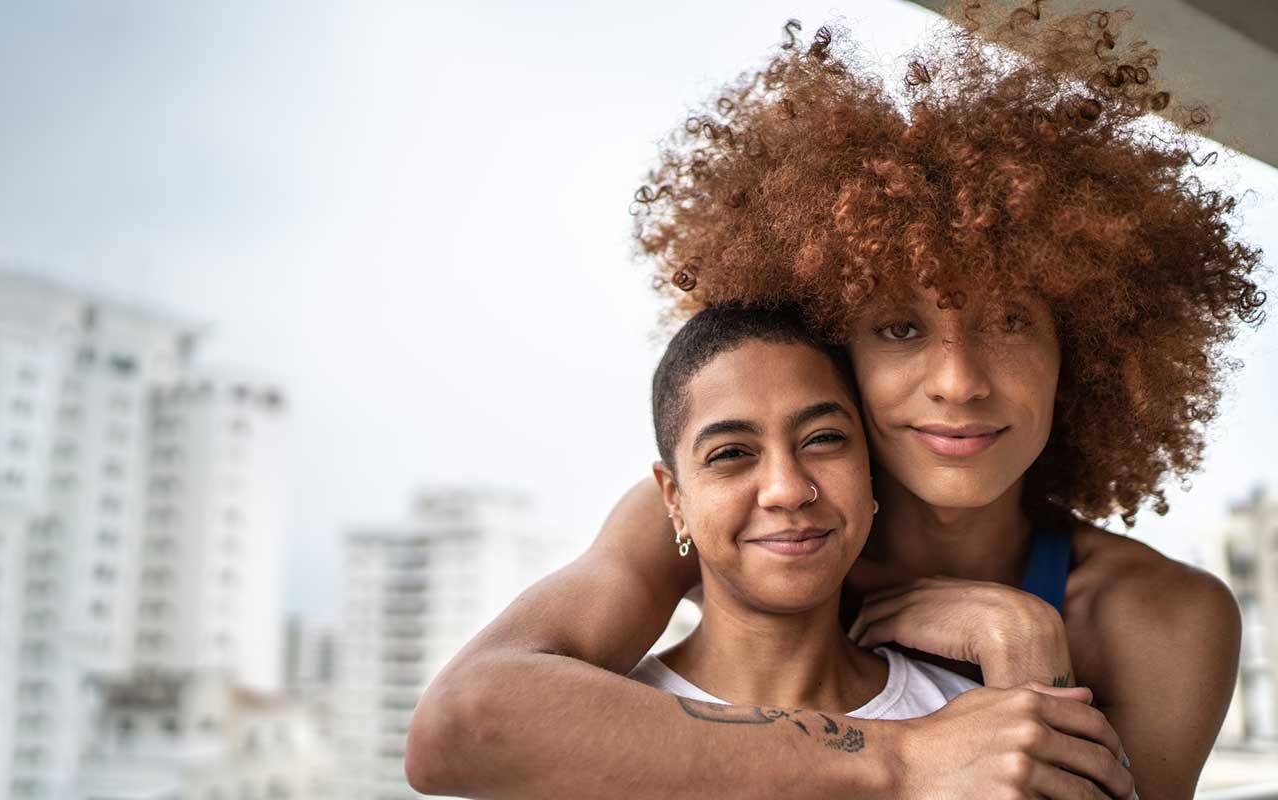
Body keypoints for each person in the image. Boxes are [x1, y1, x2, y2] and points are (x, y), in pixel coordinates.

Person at [406, 3, 1263, 799]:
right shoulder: (753, 519)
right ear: (834, 354)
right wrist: (900, 753)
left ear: (1086, 348)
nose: (959, 380)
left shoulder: (1159, 619)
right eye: (897, 327)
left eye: (1010, 321)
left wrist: (1026, 652)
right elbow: (466, 721)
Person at [631, 301, 981, 733]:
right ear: (674, 498)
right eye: (731, 453)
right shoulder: (599, 729)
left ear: (870, 466)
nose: (789, 490)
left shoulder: (968, 720)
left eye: (823, 439)